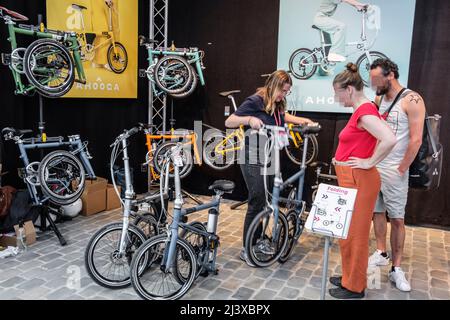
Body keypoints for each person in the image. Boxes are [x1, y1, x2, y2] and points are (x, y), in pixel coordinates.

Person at [225, 70, 315, 267]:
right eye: (283, 90)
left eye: (287, 92)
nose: (284, 95)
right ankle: (247, 249)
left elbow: (283, 117)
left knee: (265, 200)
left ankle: (257, 241)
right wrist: (248, 120)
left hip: (269, 156)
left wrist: (302, 121)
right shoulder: (256, 100)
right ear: (273, 85)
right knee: (257, 199)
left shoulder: (277, 103)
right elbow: (229, 121)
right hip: (253, 155)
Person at [328, 63, 396, 299]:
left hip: (359, 179)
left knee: (355, 235)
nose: (337, 98)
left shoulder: (365, 111)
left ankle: (355, 287)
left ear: (348, 89)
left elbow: (389, 138)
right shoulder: (363, 110)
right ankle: (349, 276)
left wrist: (368, 162)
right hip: (352, 178)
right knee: (347, 232)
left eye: (337, 93)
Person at [368, 58, 426, 292]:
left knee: (398, 219)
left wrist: (401, 168)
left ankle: (396, 268)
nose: (373, 84)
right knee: (377, 212)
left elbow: (416, 139)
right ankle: (381, 252)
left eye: (376, 79)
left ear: (390, 74)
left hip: (395, 171)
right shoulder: (379, 98)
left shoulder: (413, 100)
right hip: (376, 168)